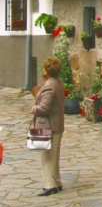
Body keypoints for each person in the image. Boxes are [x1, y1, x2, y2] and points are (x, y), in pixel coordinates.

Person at [31, 56, 65, 196]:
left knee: (47, 156)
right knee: (54, 155)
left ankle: (49, 185)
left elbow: (44, 107)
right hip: (57, 124)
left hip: (47, 125)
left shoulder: (48, 86)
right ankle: (56, 181)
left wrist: (34, 109)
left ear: (47, 70)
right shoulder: (58, 83)